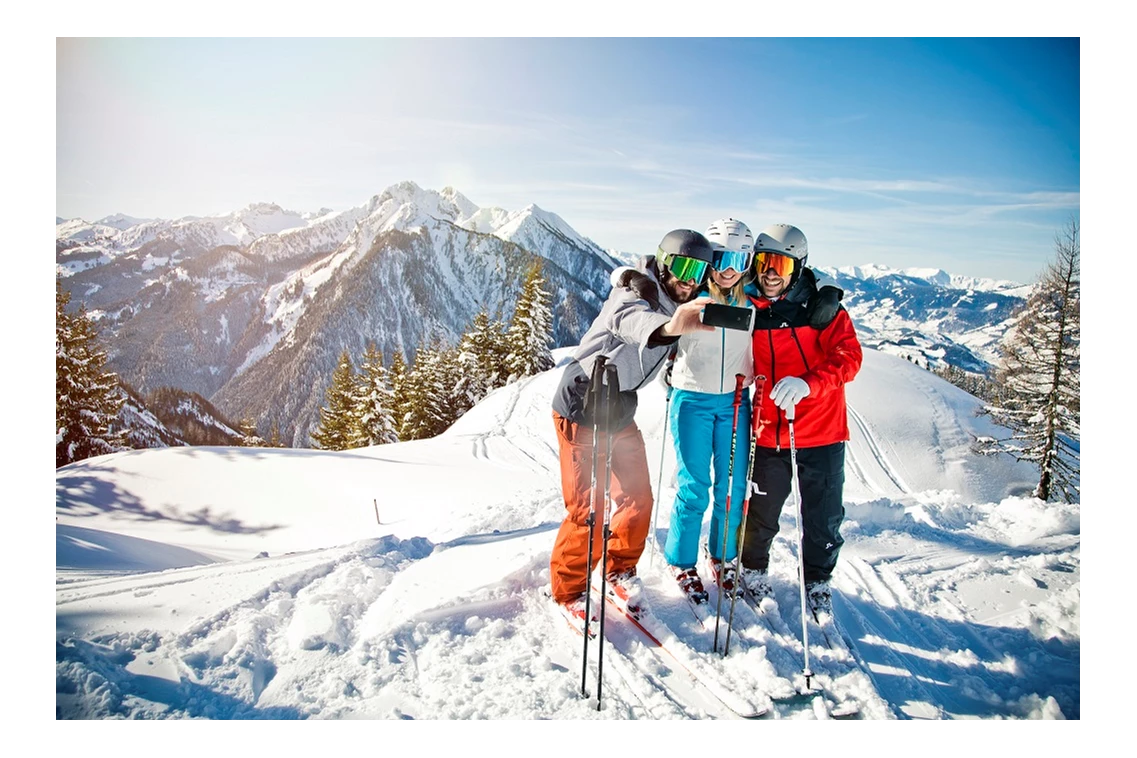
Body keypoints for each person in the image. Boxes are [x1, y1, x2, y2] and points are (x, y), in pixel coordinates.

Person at [549, 229, 716, 620]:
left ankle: (619, 568)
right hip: (582, 403)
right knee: (588, 510)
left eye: (700, 269)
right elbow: (633, 322)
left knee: (638, 498)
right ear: (663, 262)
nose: (690, 278)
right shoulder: (635, 295)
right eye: (683, 266)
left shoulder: (673, 295)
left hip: (619, 407)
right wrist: (672, 328)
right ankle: (569, 591)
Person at [739, 223, 862, 622]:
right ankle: (753, 569)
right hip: (770, 429)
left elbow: (849, 357)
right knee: (761, 509)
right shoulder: (747, 305)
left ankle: (818, 580)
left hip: (821, 429)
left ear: (797, 267)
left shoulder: (821, 309)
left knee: (823, 515)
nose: (770, 272)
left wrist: (809, 384)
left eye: (780, 263)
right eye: (763, 261)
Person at [662, 218, 757, 604]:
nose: (729, 268)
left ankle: (723, 556)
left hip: (735, 400)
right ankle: (680, 560)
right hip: (692, 400)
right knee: (694, 486)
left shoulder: (754, 301)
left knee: (732, 488)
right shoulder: (689, 296)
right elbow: (653, 291)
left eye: (738, 258)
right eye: (720, 257)